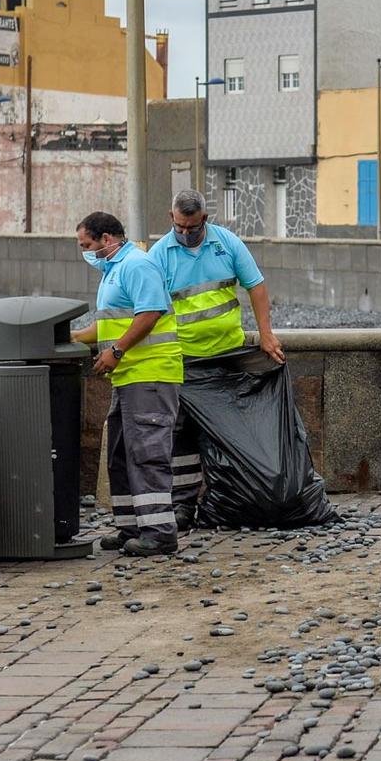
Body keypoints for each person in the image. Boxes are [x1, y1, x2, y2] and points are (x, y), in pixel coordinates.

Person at [148, 190, 284, 528]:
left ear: (204, 220)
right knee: (180, 433)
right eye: (180, 227)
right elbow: (148, 306)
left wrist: (265, 333)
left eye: (192, 227)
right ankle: (182, 507)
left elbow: (257, 286)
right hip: (183, 358)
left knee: (224, 430)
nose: (185, 233)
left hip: (225, 355)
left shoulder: (227, 244)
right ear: (171, 218)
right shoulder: (159, 255)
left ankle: (222, 500)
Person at [73, 211, 183, 557]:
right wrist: (67, 336)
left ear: (107, 239)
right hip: (129, 376)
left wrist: (116, 351)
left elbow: (150, 313)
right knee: (120, 455)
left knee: (148, 454)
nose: (85, 252)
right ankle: (130, 526)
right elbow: (107, 326)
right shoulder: (112, 271)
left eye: (86, 245)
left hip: (149, 375)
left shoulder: (137, 265)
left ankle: (160, 533)